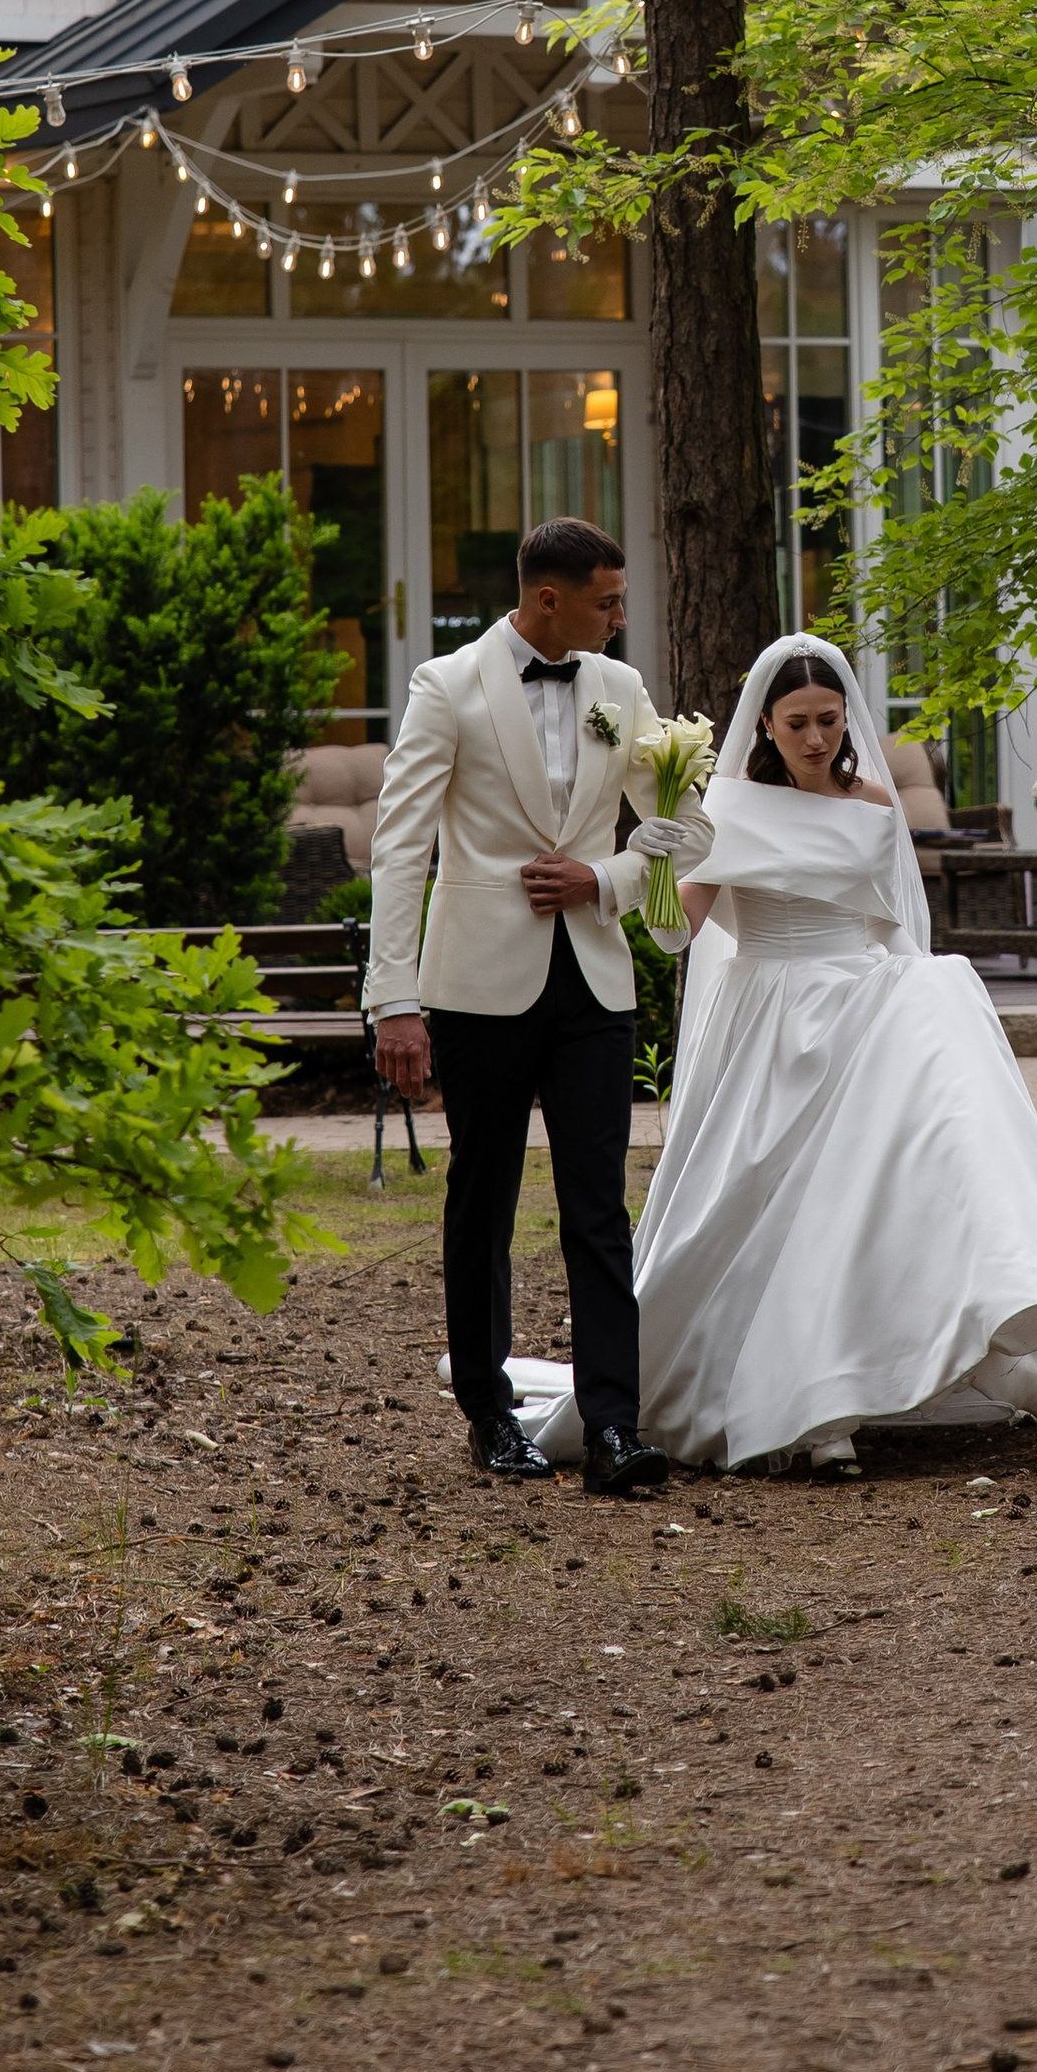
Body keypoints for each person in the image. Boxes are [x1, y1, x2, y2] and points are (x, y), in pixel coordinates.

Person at [626, 634, 1037, 1475]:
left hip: (858, 997)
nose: (817, 737)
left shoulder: (870, 799)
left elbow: (889, 918)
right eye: (798, 723)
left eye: (830, 719)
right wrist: (658, 862)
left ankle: (908, 1351)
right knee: (768, 1200)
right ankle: (788, 1395)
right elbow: (677, 934)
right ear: (766, 724)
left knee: (873, 1186)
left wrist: (923, 989)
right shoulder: (724, 808)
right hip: (772, 1011)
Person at [367, 516, 711, 1497]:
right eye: (608, 600)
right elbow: (400, 848)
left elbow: (685, 821)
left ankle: (611, 1425)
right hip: (476, 988)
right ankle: (486, 1412)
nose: (620, 616)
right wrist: (393, 998)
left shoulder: (621, 689)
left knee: (597, 1207)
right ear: (548, 600)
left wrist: (602, 878)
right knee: (482, 1200)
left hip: (595, 982)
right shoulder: (447, 686)